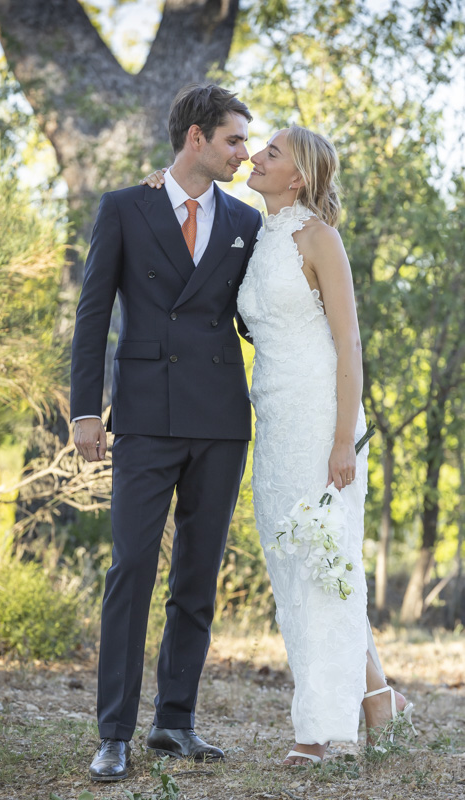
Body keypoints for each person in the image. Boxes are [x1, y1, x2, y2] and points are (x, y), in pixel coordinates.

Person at [143, 125, 416, 765]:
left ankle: (322, 734)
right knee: (302, 565)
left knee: (325, 562)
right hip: (273, 418)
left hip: (323, 415)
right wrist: (159, 188)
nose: (253, 158)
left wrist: (344, 441)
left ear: (298, 176)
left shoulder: (320, 238)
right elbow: (192, 218)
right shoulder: (252, 232)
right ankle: (378, 697)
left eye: (270, 154)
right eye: (255, 149)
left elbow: (348, 344)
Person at [70, 83, 261, 782]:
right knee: (130, 569)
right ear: (196, 140)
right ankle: (113, 732)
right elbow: (93, 314)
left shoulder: (247, 220)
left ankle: (174, 722)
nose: (244, 151)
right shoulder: (125, 206)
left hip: (219, 417)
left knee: (197, 577)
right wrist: (85, 409)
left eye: (246, 141)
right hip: (145, 416)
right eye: (235, 139)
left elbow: (258, 315)